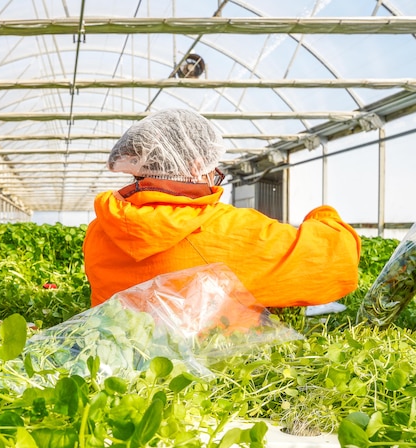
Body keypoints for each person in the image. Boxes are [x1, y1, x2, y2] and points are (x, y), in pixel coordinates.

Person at [83, 108, 361, 308]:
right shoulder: (226, 229)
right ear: (194, 168)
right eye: (210, 170)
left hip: (122, 358)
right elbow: (335, 260)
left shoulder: (101, 228)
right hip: (212, 370)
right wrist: (323, 215)